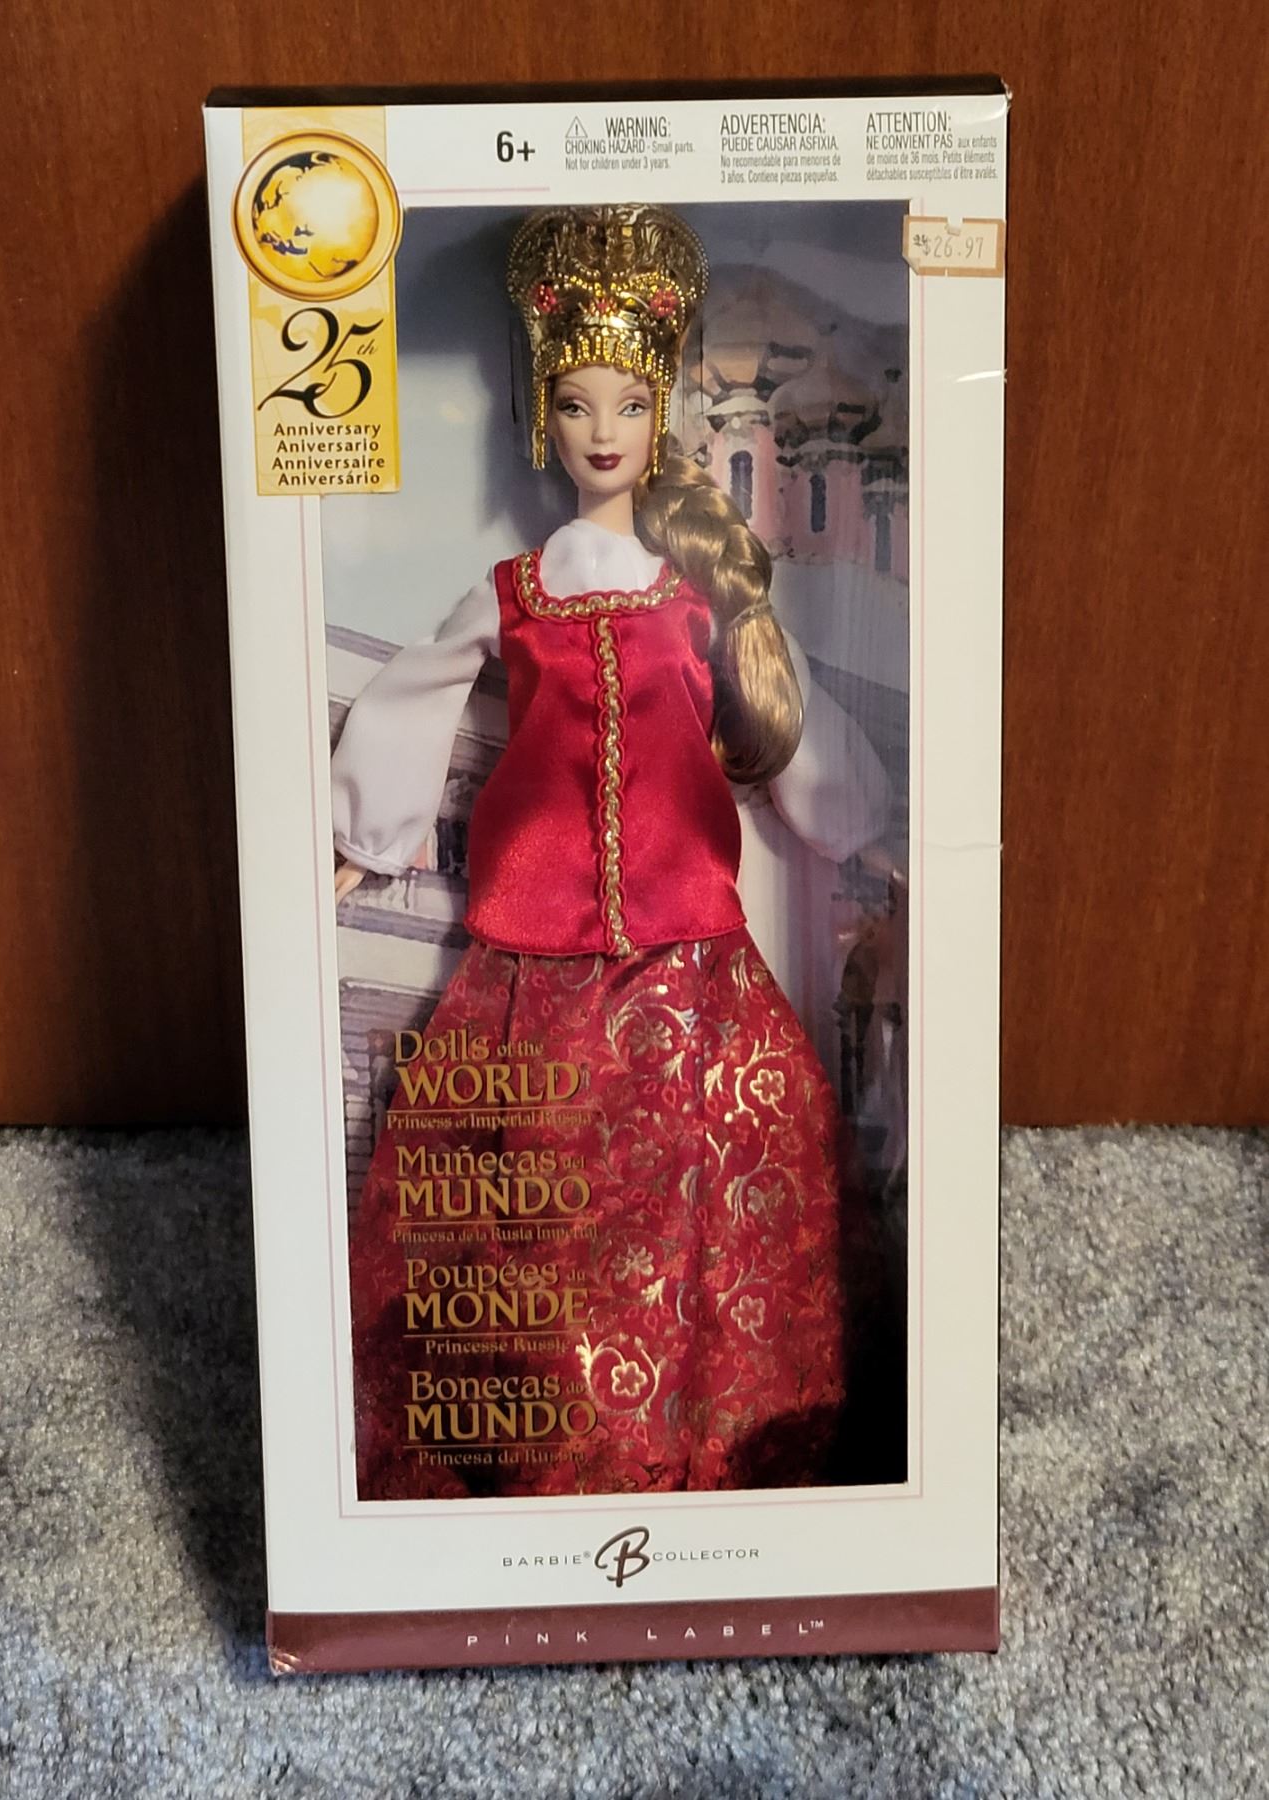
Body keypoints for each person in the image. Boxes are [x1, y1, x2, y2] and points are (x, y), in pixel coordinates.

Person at [332, 204, 890, 1497]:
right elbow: (421, 685)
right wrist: (369, 833)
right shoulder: (517, 591)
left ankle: (709, 1433)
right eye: (577, 405)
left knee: (736, 1156)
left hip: (690, 955)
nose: (601, 431)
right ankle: (564, 1443)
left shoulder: (699, 594)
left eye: (627, 407)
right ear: (544, 413)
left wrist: (855, 825)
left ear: (659, 415)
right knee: (540, 1198)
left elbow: (783, 711)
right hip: (532, 955)